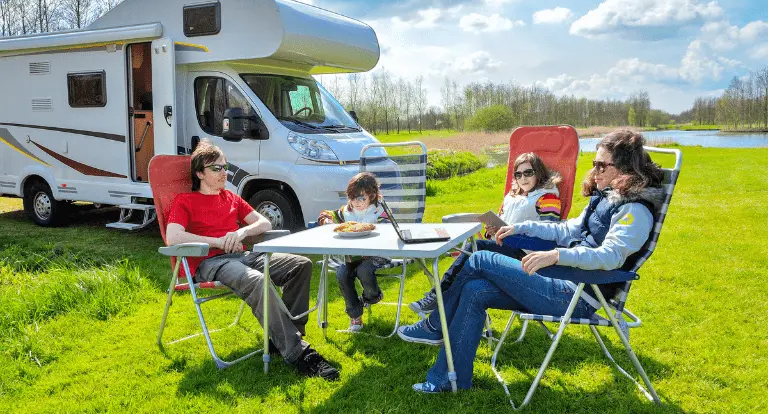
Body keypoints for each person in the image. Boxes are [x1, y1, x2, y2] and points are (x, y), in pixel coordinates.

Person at [397, 129, 664, 393]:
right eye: (594, 164)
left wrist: (556, 255)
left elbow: (610, 256)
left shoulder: (635, 209)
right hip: (561, 279)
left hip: (577, 295)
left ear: (625, 168)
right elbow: (567, 230)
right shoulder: (605, 198)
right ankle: (449, 380)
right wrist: (521, 229)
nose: (594, 171)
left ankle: (434, 325)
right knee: (473, 290)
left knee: (479, 258)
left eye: (601, 165)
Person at [165, 139, 339, 380]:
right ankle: (300, 354)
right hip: (211, 262)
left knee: (300, 265)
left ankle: (286, 338)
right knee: (257, 281)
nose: (223, 172)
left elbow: (264, 222)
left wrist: (241, 232)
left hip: (243, 254)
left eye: (225, 166)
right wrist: (218, 241)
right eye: (216, 168)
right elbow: (173, 236)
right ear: (199, 173)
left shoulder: (231, 198)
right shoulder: (185, 201)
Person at [409, 152, 562, 316]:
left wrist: (513, 234)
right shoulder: (511, 197)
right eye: (518, 174)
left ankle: (437, 295)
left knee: (476, 247)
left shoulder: (547, 197)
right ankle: (442, 304)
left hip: (526, 256)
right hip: (504, 247)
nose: (523, 178)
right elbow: (501, 222)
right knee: (472, 262)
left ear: (538, 172)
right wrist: (492, 231)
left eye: (528, 173)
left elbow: (549, 234)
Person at [317, 172, 389, 332]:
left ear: (372, 195)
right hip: (352, 257)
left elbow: (389, 230)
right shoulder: (346, 211)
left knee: (364, 270)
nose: (357, 202)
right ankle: (355, 317)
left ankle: (372, 296)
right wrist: (327, 221)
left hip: (376, 255)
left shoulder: (379, 211)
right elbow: (328, 214)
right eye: (353, 197)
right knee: (342, 273)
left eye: (362, 198)